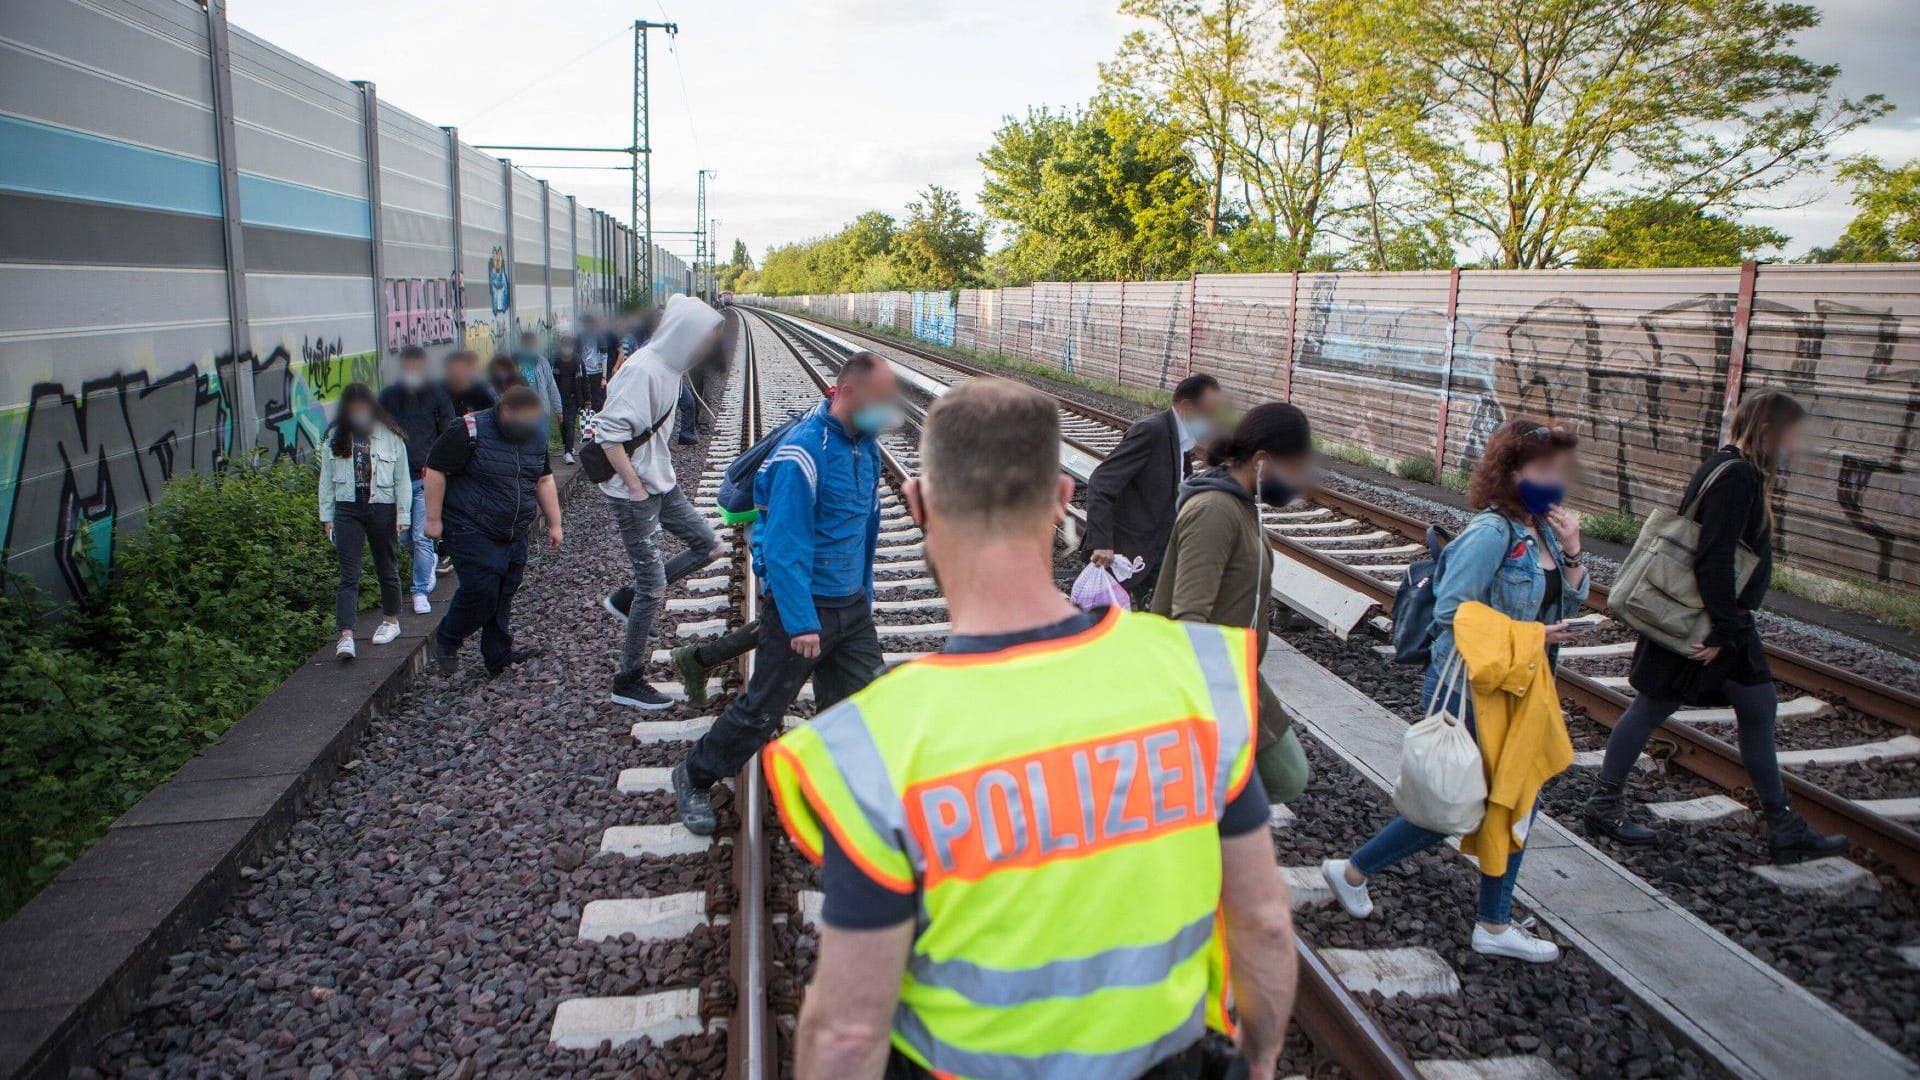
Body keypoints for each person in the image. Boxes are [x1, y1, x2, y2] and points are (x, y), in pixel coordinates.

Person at [765, 378, 1298, 1080]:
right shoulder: (1195, 677)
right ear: (1062, 500)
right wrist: (1260, 1056)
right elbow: (1262, 920)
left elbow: (845, 1034)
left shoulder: (878, 743)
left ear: (918, 503)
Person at [1324, 419, 1589, 964]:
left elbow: (1562, 607)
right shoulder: (1492, 532)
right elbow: (1451, 611)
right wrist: (1531, 635)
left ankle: (1486, 919)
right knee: (1458, 805)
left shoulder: (1542, 531)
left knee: (1512, 803)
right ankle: (1360, 873)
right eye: (1543, 469)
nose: (1554, 480)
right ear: (1512, 472)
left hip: (1519, 690)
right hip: (1471, 691)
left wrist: (1576, 554)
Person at [1585, 392, 1848, 864]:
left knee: (1756, 705)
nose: (1796, 445)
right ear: (1768, 431)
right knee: (1654, 706)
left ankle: (1783, 825)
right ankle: (1603, 803)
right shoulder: (1739, 477)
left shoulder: (1724, 464)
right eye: (1791, 434)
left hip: (1712, 616)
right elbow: (1713, 556)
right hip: (1704, 618)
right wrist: (1721, 632)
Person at [672, 351, 899, 833]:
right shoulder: (803, 454)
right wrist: (801, 621)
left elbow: (867, 527)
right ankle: (694, 774)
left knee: (863, 703)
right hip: (805, 607)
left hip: (850, 607)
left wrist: (863, 592)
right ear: (851, 393)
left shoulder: (868, 447)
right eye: (882, 400)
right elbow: (784, 545)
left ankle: (836, 792)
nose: (889, 410)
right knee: (762, 711)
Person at [1151, 404, 1314, 804]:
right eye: (1293, 469)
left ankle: (1213, 832)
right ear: (1260, 461)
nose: (1298, 482)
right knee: (1283, 776)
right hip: (1210, 678)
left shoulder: (1241, 507)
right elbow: (1187, 616)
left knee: (1281, 778)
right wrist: (1207, 706)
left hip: (1235, 672)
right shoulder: (1214, 512)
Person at [596, 298, 727, 709]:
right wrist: (634, 486)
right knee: (653, 587)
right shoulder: (643, 370)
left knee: (709, 546)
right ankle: (627, 679)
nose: (709, 346)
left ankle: (627, 598)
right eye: (705, 337)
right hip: (634, 491)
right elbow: (608, 435)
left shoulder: (671, 367)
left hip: (661, 482)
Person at [422, 385, 563, 676]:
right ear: (506, 411)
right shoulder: (468, 430)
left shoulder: (534, 436)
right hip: (469, 524)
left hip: (512, 529)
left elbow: (544, 479)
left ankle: (498, 655)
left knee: (504, 590)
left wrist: (555, 522)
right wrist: (433, 519)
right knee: (481, 589)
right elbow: (435, 469)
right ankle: (448, 639)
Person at [1083, 373, 1227, 607]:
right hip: (1129, 555)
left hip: (1156, 551)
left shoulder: (1180, 441)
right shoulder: (1152, 431)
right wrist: (1102, 543)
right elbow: (1101, 482)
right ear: (1187, 407)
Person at [318, 384, 409, 661]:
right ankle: (346, 635)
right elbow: (326, 481)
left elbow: (402, 479)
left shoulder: (391, 436)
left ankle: (391, 620)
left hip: (382, 507)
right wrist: (327, 517)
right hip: (347, 510)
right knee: (349, 574)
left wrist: (403, 514)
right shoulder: (335, 436)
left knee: (386, 565)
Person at [379, 345, 456, 613]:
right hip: (395, 481)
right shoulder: (388, 397)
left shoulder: (437, 396)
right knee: (404, 538)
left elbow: (448, 431)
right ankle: (431, 560)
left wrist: (444, 468)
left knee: (421, 536)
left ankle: (420, 590)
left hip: (426, 477)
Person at [514, 330, 564, 419]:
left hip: (540, 410)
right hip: (520, 411)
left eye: (532, 343)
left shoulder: (542, 361)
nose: (530, 345)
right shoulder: (514, 361)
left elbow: (551, 386)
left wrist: (559, 410)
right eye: (527, 343)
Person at [576, 313, 616, 411]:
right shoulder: (579, 337)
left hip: (596, 373)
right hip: (584, 374)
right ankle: (587, 422)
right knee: (585, 401)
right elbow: (576, 355)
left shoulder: (599, 337)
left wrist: (604, 377)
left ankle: (596, 421)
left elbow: (604, 357)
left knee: (597, 401)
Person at [552, 334, 582, 465]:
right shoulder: (557, 360)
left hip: (573, 398)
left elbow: (583, 380)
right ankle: (567, 445)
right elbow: (553, 380)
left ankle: (568, 452)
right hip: (559, 398)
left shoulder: (577, 360)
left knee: (569, 424)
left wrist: (586, 400)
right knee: (563, 424)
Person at [443, 350, 495, 416]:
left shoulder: (480, 391)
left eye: (461, 369)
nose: (458, 374)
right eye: (454, 371)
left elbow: (492, 414)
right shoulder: (440, 394)